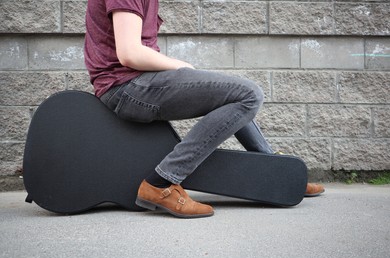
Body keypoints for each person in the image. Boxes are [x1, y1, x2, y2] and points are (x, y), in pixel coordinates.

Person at [84, 0, 324, 218]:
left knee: (235, 93)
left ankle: (277, 172)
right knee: (248, 95)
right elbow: (130, 53)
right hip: (127, 88)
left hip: (134, 83)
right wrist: (181, 67)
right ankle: (161, 183)